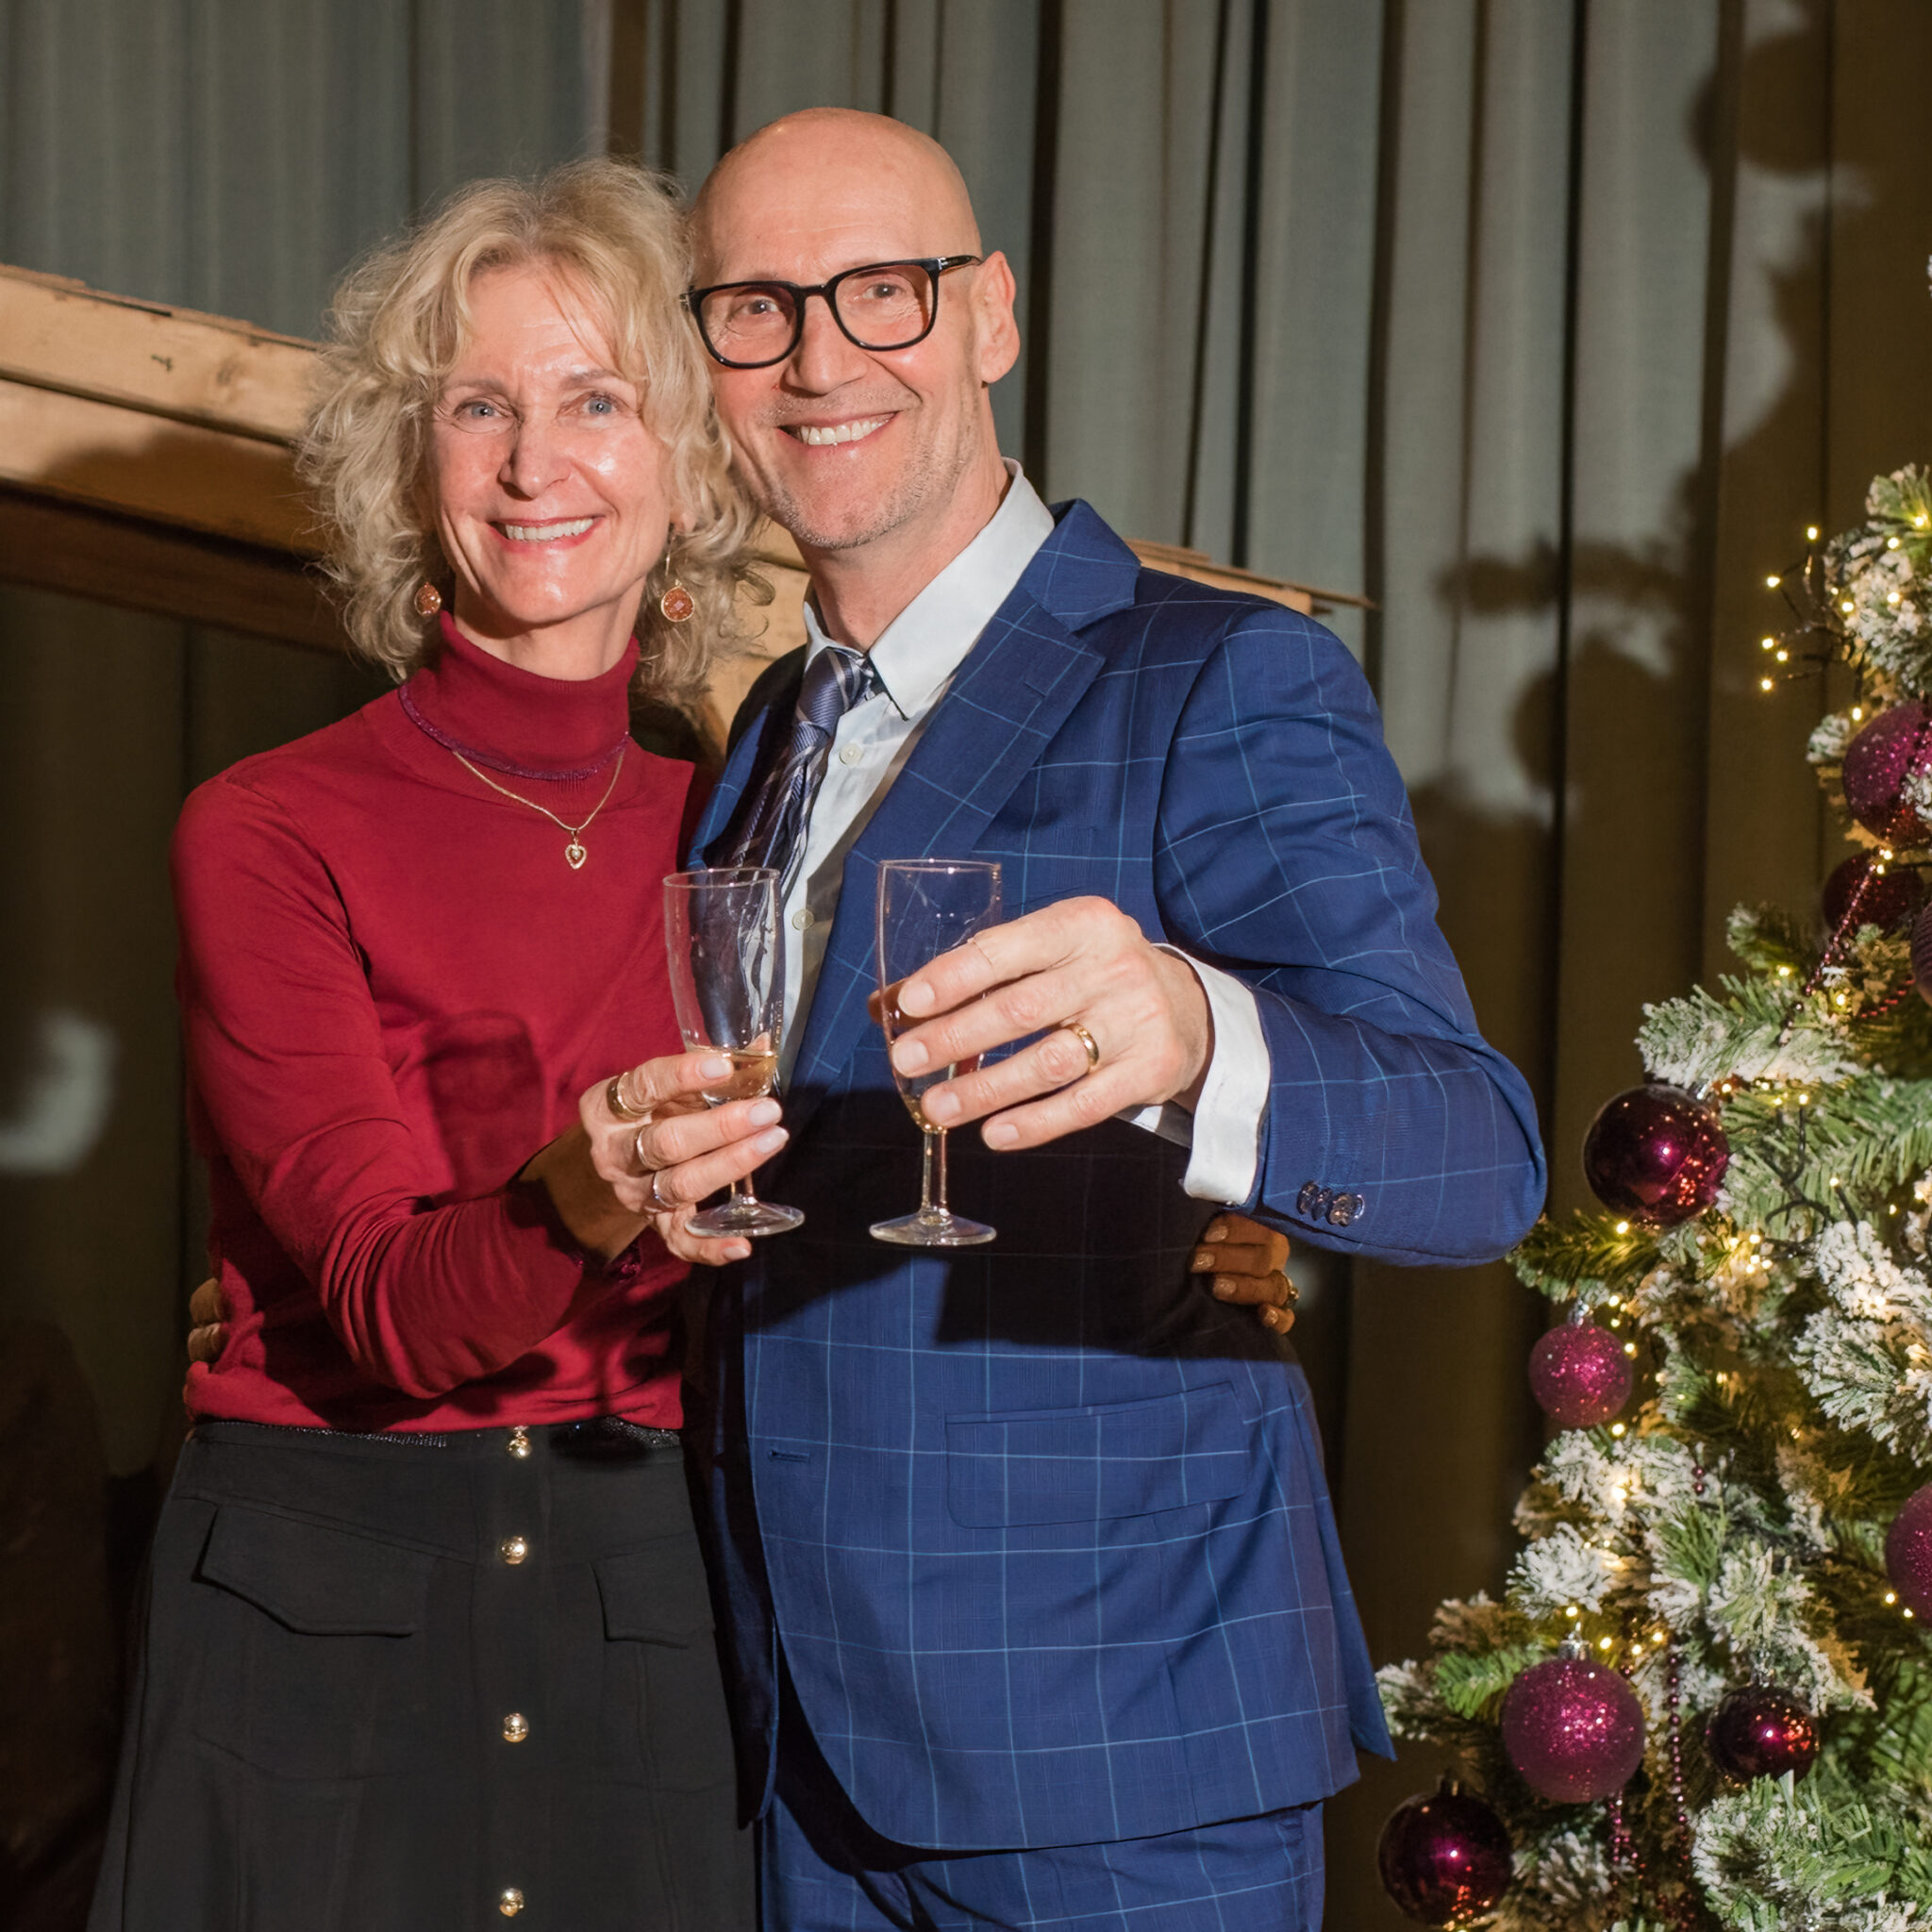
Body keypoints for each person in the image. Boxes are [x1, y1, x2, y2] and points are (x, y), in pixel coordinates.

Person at [679, 108, 1548, 1930]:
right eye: (758, 309)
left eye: (884, 292)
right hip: (799, 1753)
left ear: (992, 314)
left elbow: (1476, 1155)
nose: (821, 359)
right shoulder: (770, 730)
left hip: (1117, 1759)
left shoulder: (1220, 674)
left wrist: (1201, 1034)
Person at [90, 160, 784, 1932]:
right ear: (412, 466)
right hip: (322, 1592)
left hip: (648, 1582)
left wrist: (1190, 1245)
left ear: (693, 459)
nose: (536, 462)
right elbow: (391, 1315)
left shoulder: (744, 832)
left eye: (596, 400)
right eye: (480, 406)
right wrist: (586, 1191)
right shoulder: (268, 827)